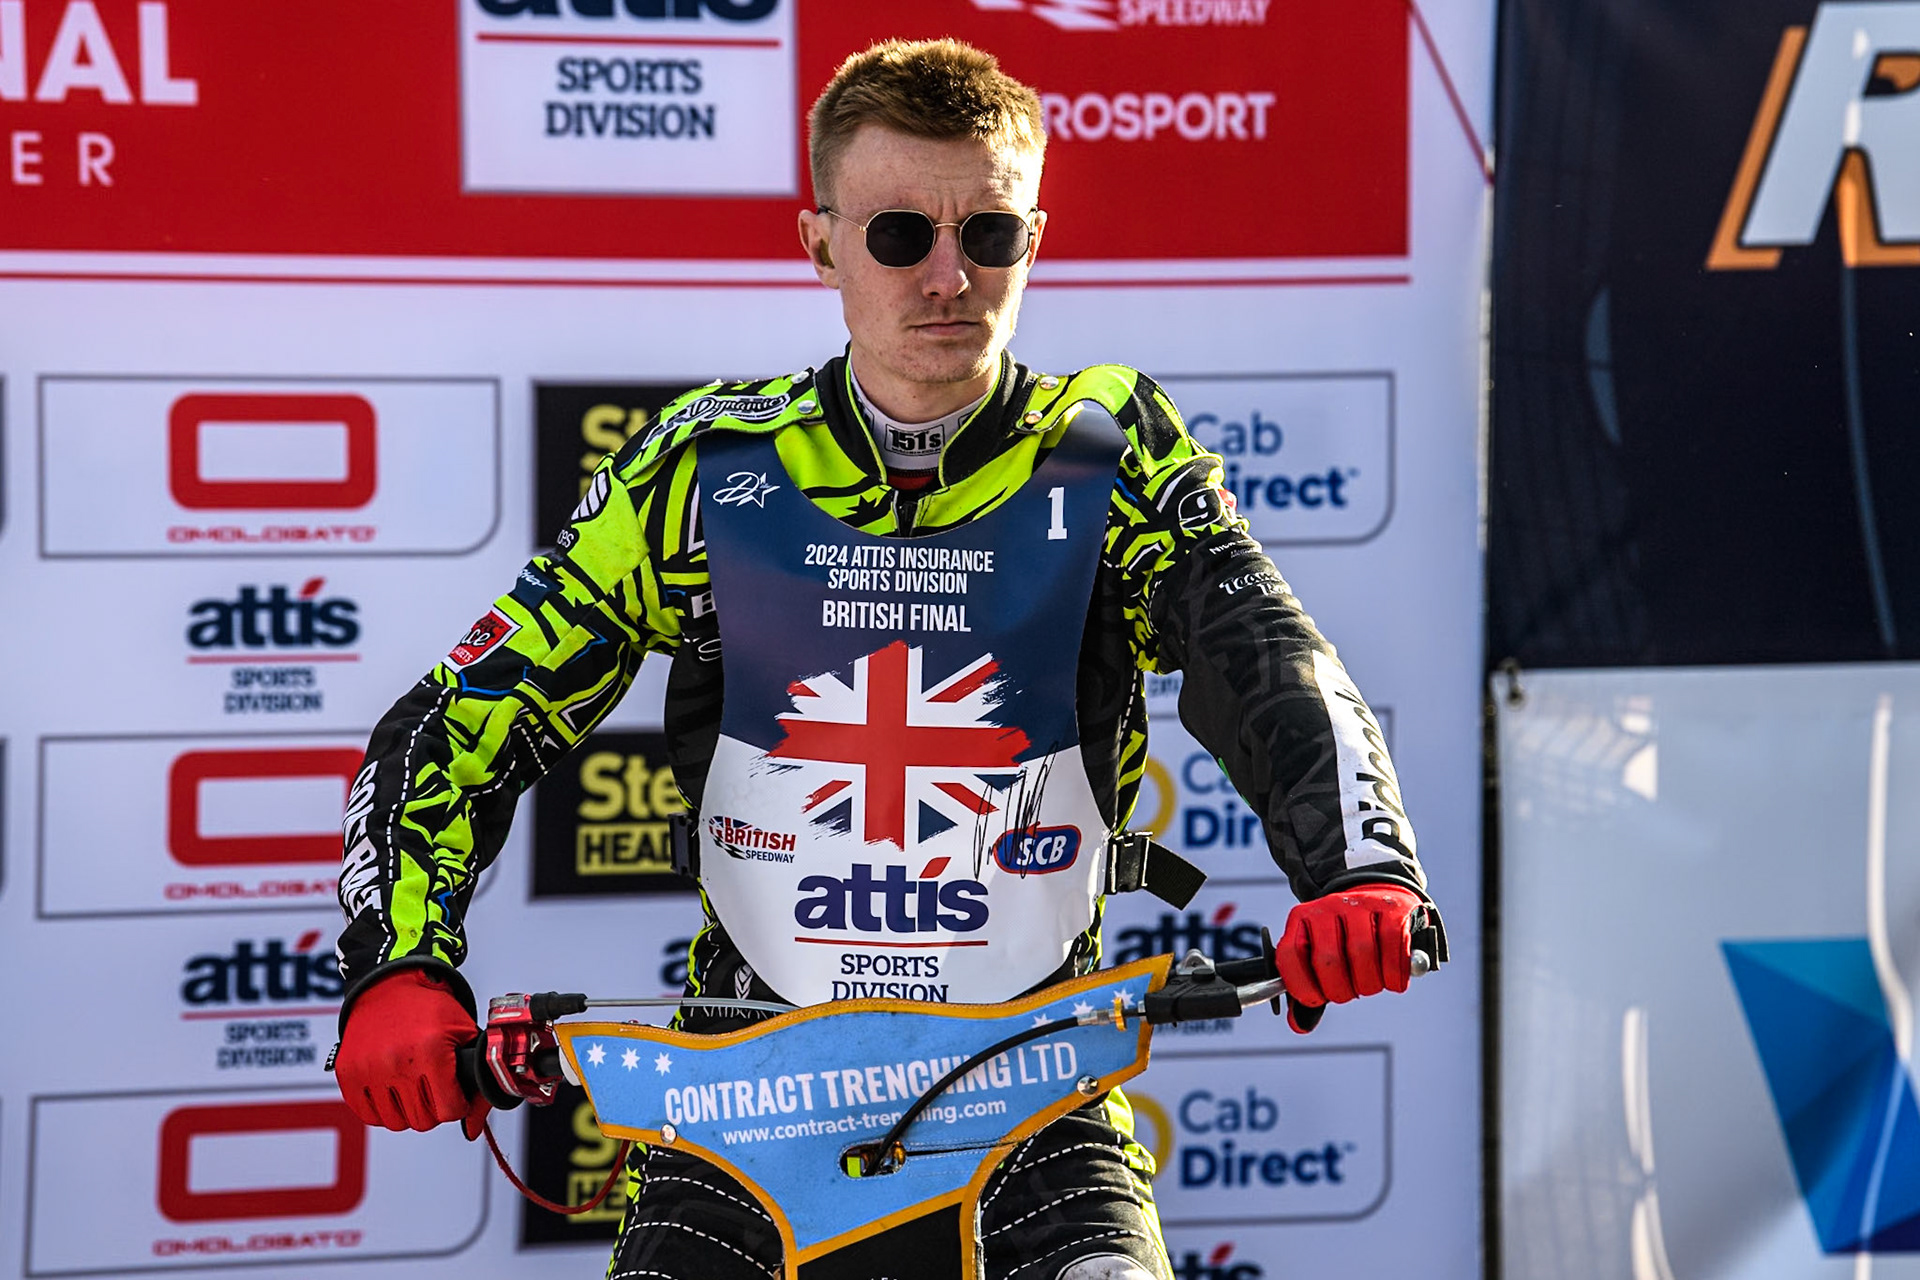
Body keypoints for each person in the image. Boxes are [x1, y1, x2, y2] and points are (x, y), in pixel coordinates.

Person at [331, 37, 1443, 1280]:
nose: (949, 279)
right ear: (820, 244)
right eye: (901, 235)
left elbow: (1263, 651)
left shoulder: (1106, 444)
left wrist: (1355, 864)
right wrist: (399, 965)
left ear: (1037, 237)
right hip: (744, 1103)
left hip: (1033, 1098)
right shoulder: (704, 470)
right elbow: (459, 719)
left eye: (993, 235)